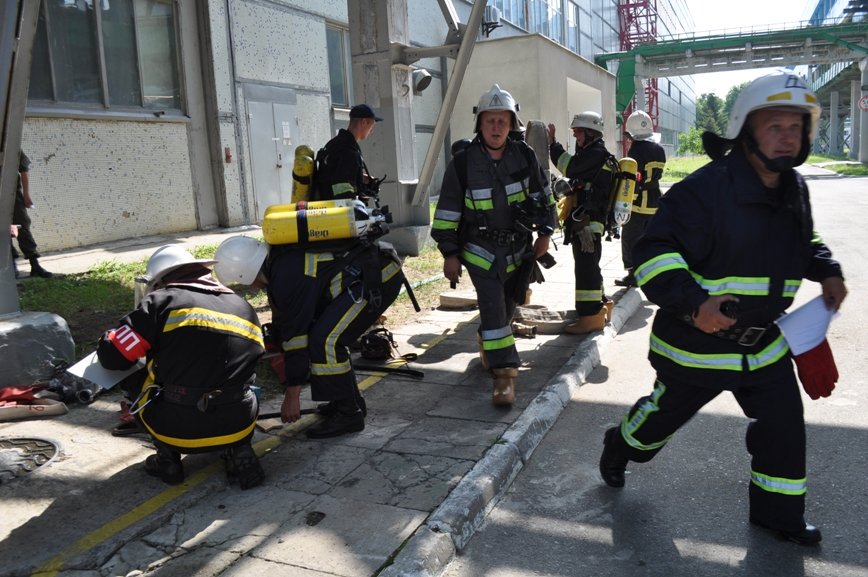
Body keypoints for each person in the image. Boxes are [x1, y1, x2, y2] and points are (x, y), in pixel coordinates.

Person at [598, 70, 847, 546]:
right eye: (775, 126)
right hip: (698, 348)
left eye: (795, 127)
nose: (786, 136)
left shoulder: (794, 188)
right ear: (746, 130)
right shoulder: (705, 190)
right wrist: (694, 306)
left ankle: (779, 516)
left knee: (784, 431)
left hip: (766, 347)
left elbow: (803, 240)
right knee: (653, 430)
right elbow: (652, 255)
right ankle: (619, 444)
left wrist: (826, 268)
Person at [215, 104, 406, 439]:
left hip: (377, 278)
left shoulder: (284, 278)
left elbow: (296, 335)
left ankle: (348, 415)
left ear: (246, 276)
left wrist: (292, 395)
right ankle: (344, 401)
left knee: (325, 340)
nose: (255, 290)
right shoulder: (281, 258)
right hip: (372, 271)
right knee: (327, 336)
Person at [96, 245, 266, 489]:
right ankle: (238, 449)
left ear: (162, 280)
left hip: (175, 427)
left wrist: (111, 336)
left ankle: (168, 459)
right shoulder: (244, 307)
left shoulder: (161, 302)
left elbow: (113, 358)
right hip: (240, 421)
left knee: (135, 376)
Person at [432, 84, 556, 406]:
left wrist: (544, 234)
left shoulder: (525, 156)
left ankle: (489, 343)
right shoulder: (462, 164)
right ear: (480, 124)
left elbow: (544, 196)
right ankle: (504, 374)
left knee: (510, 302)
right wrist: (450, 254)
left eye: (503, 121)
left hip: (519, 251)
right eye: (491, 121)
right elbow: (446, 213)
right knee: (493, 306)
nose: (497, 127)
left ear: (512, 124)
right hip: (480, 251)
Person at [547, 111, 615, 334]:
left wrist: (553, 145)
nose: (575, 136)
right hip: (587, 219)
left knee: (585, 268)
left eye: (578, 132)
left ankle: (589, 316)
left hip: (588, 222)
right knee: (590, 265)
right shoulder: (594, 153)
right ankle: (602, 304)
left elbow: (570, 166)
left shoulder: (595, 154)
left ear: (590, 132)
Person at [615, 110, 666, 287]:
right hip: (654, 201)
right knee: (651, 240)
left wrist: (624, 203)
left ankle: (633, 275)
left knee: (630, 238)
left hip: (637, 203)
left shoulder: (635, 151)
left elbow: (633, 179)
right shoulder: (659, 149)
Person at [314, 103, 384, 201]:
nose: (371, 131)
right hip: (337, 213)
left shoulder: (335, 143)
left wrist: (359, 177)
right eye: (371, 126)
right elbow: (342, 192)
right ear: (363, 122)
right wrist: (356, 207)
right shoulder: (348, 151)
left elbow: (334, 175)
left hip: (327, 208)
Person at [11, 151, 52, 278]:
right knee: (3, 230)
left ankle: (35, 265)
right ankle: (11, 266)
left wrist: (27, 195)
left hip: (13, 193)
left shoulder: (10, 143)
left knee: (22, 225)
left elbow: (24, 170)